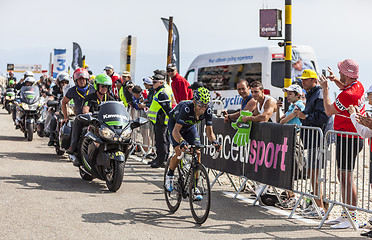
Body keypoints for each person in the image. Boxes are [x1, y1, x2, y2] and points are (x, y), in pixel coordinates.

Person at [318, 59, 365, 229]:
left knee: (346, 177)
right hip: (349, 137)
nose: (338, 74)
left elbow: (329, 110)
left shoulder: (348, 95)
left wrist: (325, 89)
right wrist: (335, 81)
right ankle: (346, 213)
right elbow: (345, 88)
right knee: (342, 176)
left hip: (349, 138)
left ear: (346, 73)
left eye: (340, 72)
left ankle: (351, 216)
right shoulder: (358, 85)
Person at [165, 87, 221, 198]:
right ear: (194, 102)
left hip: (189, 127)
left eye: (205, 105)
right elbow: (176, 131)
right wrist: (181, 141)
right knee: (179, 152)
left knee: (198, 152)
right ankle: (169, 175)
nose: (203, 109)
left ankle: (194, 188)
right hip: (175, 126)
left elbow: (210, 132)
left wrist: (214, 141)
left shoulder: (208, 110)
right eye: (200, 105)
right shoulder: (186, 108)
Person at [293, 69, 330, 218]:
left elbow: (323, 117)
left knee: (315, 173)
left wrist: (304, 116)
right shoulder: (311, 93)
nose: (303, 82)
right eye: (302, 79)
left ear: (314, 81)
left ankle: (319, 207)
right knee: (312, 172)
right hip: (313, 138)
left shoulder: (318, 94)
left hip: (319, 139)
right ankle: (316, 204)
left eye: (306, 79)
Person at [62, 68, 95, 162]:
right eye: (80, 79)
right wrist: (65, 117)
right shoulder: (72, 91)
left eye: (84, 79)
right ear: (76, 81)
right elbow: (64, 102)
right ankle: (73, 146)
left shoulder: (93, 89)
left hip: (93, 116)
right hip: (80, 117)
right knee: (76, 122)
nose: (82, 81)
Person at [147, 74, 173, 168]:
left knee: (161, 141)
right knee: (160, 141)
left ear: (161, 82)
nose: (152, 83)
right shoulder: (163, 89)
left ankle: (162, 161)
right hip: (159, 120)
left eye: (155, 82)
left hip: (161, 120)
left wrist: (171, 118)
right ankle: (159, 158)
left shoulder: (162, 92)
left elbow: (166, 108)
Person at [47, 73, 70, 146]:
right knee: (53, 119)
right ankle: (51, 138)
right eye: (62, 82)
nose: (64, 84)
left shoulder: (70, 90)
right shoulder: (55, 89)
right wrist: (51, 101)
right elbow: (51, 97)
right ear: (59, 83)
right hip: (58, 110)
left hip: (68, 110)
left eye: (66, 82)